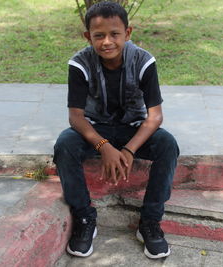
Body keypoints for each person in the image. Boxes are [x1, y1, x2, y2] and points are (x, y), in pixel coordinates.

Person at [53, 1, 179, 260]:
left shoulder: (144, 61)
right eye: (98, 36)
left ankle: (150, 222)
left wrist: (129, 149)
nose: (107, 42)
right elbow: (76, 117)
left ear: (128, 33)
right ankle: (85, 218)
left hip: (132, 130)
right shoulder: (79, 64)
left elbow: (155, 117)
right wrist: (104, 147)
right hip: (95, 130)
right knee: (65, 144)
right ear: (88, 36)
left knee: (167, 144)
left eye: (114, 34)